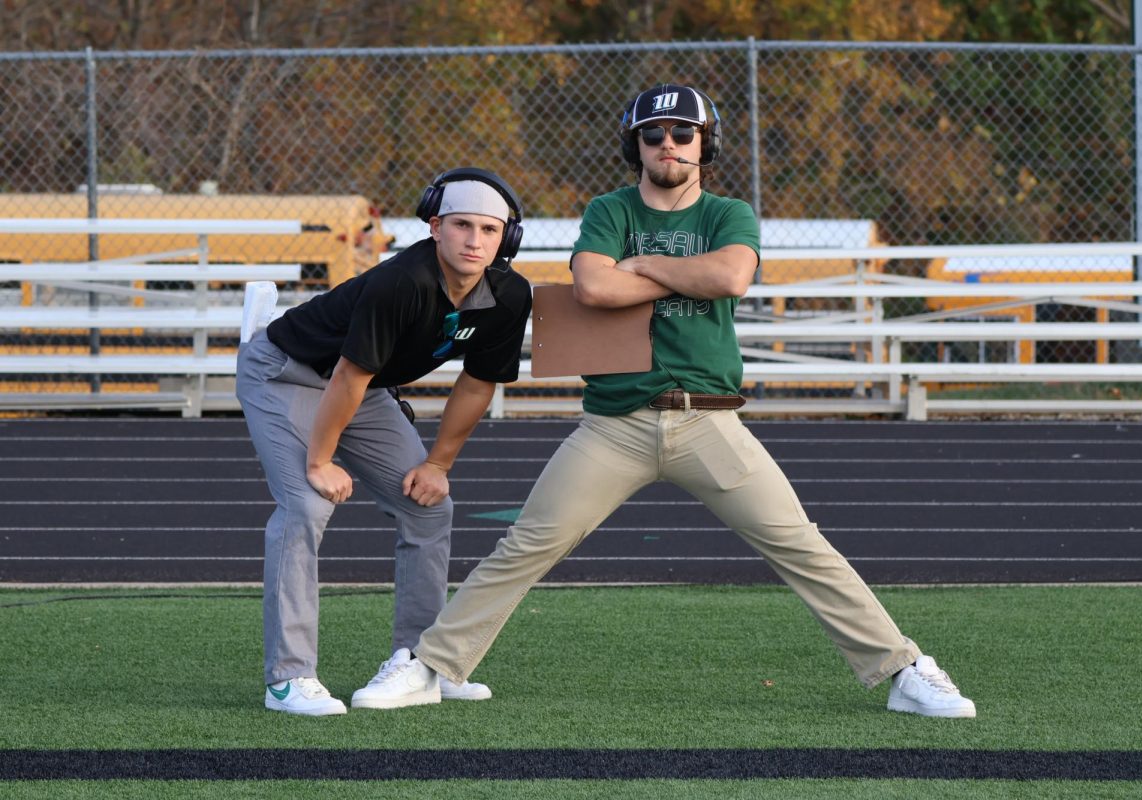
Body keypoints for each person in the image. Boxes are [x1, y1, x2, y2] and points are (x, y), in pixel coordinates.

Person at [347, 84, 975, 718]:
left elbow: (730, 277)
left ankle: (904, 669)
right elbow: (592, 286)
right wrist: (666, 271)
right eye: (654, 135)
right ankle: (431, 665)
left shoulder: (729, 214)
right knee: (527, 545)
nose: (668, 144)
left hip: (709, 420)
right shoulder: (610, 209)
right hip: (614, 425)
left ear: (705, 144)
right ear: (636, 144)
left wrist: (640, 266)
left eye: (682, 134)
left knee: (802, 546)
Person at [235, 167, 533, 716]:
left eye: (489, 230)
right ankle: (289, 678)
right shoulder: (404, 280)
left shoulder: (510, 294)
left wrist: (438, 463)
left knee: (430, 506)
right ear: (435, 228)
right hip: (287, 373)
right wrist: (320, 461)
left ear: (506, 238)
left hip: (362, 388)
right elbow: (346, 376)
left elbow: (478, 380)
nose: (475, 241)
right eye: (462, 225)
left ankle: (422, 663)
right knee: (305, 503)